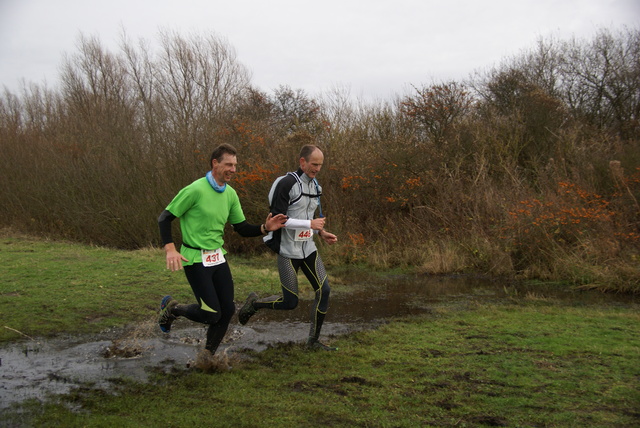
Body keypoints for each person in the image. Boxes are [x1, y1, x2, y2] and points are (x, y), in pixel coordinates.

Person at [157, 143, 286, 356]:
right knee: (211, 313)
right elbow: (165, 218)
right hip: (195, 258)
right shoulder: (195, 190)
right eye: (229, 164)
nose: (233, 170)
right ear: (215, 163)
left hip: (217, 258)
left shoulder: (231, 195)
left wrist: (265, 228)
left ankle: (207, 357)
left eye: (235, 165)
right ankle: (172, 309)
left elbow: (241, 228)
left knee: (227, 311)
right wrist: (170, 249)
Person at [237, 143, 339, 351]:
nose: (317, 169)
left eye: (320, 165)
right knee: (290, 302)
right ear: (302, 162)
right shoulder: (286, 184)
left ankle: (313, 341)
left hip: (308, 248)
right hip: (287, 251)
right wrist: (309, 225)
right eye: (313, 164)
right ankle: (254, 304)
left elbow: (309, 217)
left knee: (324, 290)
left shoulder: (315, 186)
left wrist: (320, 232)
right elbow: (278, 220)